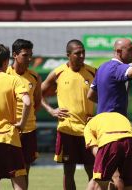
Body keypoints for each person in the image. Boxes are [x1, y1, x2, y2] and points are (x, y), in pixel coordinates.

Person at [41, 39, 96, 190]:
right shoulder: (58, 73)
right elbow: (37, 93)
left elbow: (106, 95)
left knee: (93, 172)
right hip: (67, 130)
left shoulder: (93, 72)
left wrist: (99, 116)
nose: (82, 55)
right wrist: (51, 110)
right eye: (78, 53)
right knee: (68, 171)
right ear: (68, 55)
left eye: (83, 52)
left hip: (88, 131)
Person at [6, 39, 41, 189]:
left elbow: (37, 103)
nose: (29, 59)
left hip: (28, 130)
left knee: (25, 169)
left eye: (30, 55)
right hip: (8, 130)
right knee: (4, 169)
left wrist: (26, 120)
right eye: (25, 55)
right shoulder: (4, 74)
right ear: (14, 55)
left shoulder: (34, 77)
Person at [0, 44, 31, 190]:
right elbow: (27, 102)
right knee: (19, 184)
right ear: (6, 62)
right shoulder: (13, 80)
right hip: (9, 138)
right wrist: (22, 123)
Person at [84, 112, 132, 190]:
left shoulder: (88, 126)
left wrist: (110, 170)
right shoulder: (119, 116)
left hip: (109, 143)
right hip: (130, 141)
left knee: (99, 183)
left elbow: (96, 151)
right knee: (131, 185)